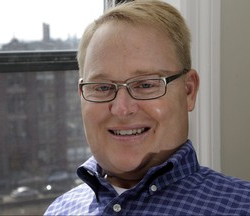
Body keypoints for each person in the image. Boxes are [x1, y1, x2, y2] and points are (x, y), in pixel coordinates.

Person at [44, 0, 250, 215]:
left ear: (189, 91)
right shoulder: (59, 210)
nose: (122, 108)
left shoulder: (242, 206)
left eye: (145, 85)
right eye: (103, 87)